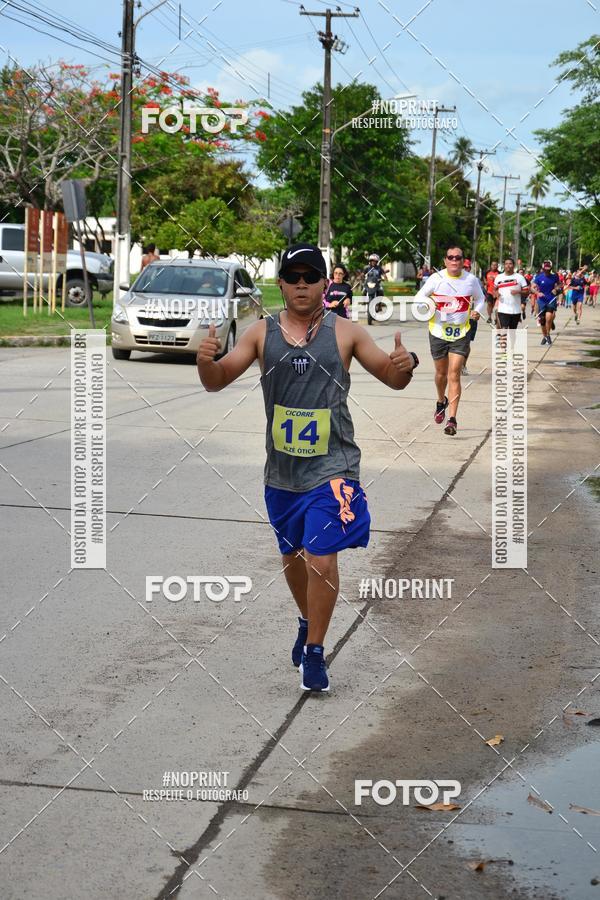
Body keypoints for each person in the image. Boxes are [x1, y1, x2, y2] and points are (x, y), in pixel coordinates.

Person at [196, 242, 418, 692]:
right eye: (293, 277)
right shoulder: (261, 333)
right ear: (280, 283)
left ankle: (315, 652)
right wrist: (205, 361)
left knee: (321, 556)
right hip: (282, 473)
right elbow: (217, 381)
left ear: (324, 284)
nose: (302, 285)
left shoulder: (346, 333)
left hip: (334, 467)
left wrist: (407, 364)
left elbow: (393, 378)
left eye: (311, 277)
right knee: (293, 556)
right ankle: (306, 620)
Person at [414, 243, 485, 436]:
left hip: (461, 333)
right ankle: (441, 401)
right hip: (437, 332)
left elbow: (480, 299)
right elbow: (419, 297)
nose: (454, 260)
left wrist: (477, 311)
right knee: (441, 374)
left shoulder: (470, 280)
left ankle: (452, 419)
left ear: (463, 261)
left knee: (454, 374)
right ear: (445, 260)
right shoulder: (436, 279)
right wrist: (428, 305)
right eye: (450, 257)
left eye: (458, 257)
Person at [493, 257, 528, 330]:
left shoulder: (520, 277)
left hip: (515, 310)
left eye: (510, 264)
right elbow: (494, 289)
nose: (508, 265)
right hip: (503, 309)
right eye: (506, 264)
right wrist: (496, 293)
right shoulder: (499, 277)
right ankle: (503, 338)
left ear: (513, 265)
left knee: (512, 332)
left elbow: (527, 291)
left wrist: (518, 292)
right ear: (504, 265)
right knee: (503, 329)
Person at [533, 259, 560, 345]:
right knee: (542, 320)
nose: (547, 269)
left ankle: (548, 335)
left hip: (551, 299)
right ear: (543, 268)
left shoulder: (555, 276)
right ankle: (544, 336)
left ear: (551, 268)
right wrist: (537, 293)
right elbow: (532, 287)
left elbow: (560, 285)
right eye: (546, 267)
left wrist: (556, 289)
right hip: (542, 301)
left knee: (548, 317)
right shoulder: (539, 277)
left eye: (549, 267)